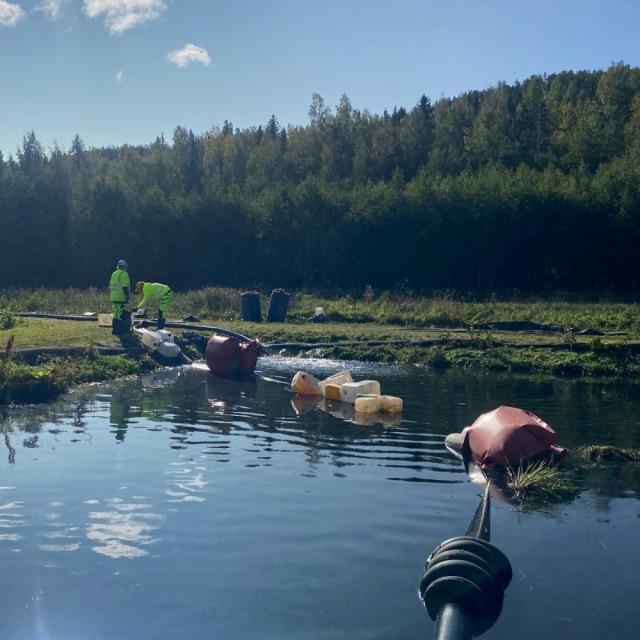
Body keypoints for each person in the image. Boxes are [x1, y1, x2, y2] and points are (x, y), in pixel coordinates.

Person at [109, 259, 131, 335]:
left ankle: (114, 330)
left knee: (116, 313)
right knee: (120, 313)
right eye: (126, 266)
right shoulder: (124, 274)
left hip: (113, 296)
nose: (126, 268)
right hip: (121, 297)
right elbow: (125, 287)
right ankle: (119, 330)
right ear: (124, 266)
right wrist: (127, 296)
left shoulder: (114, 274)